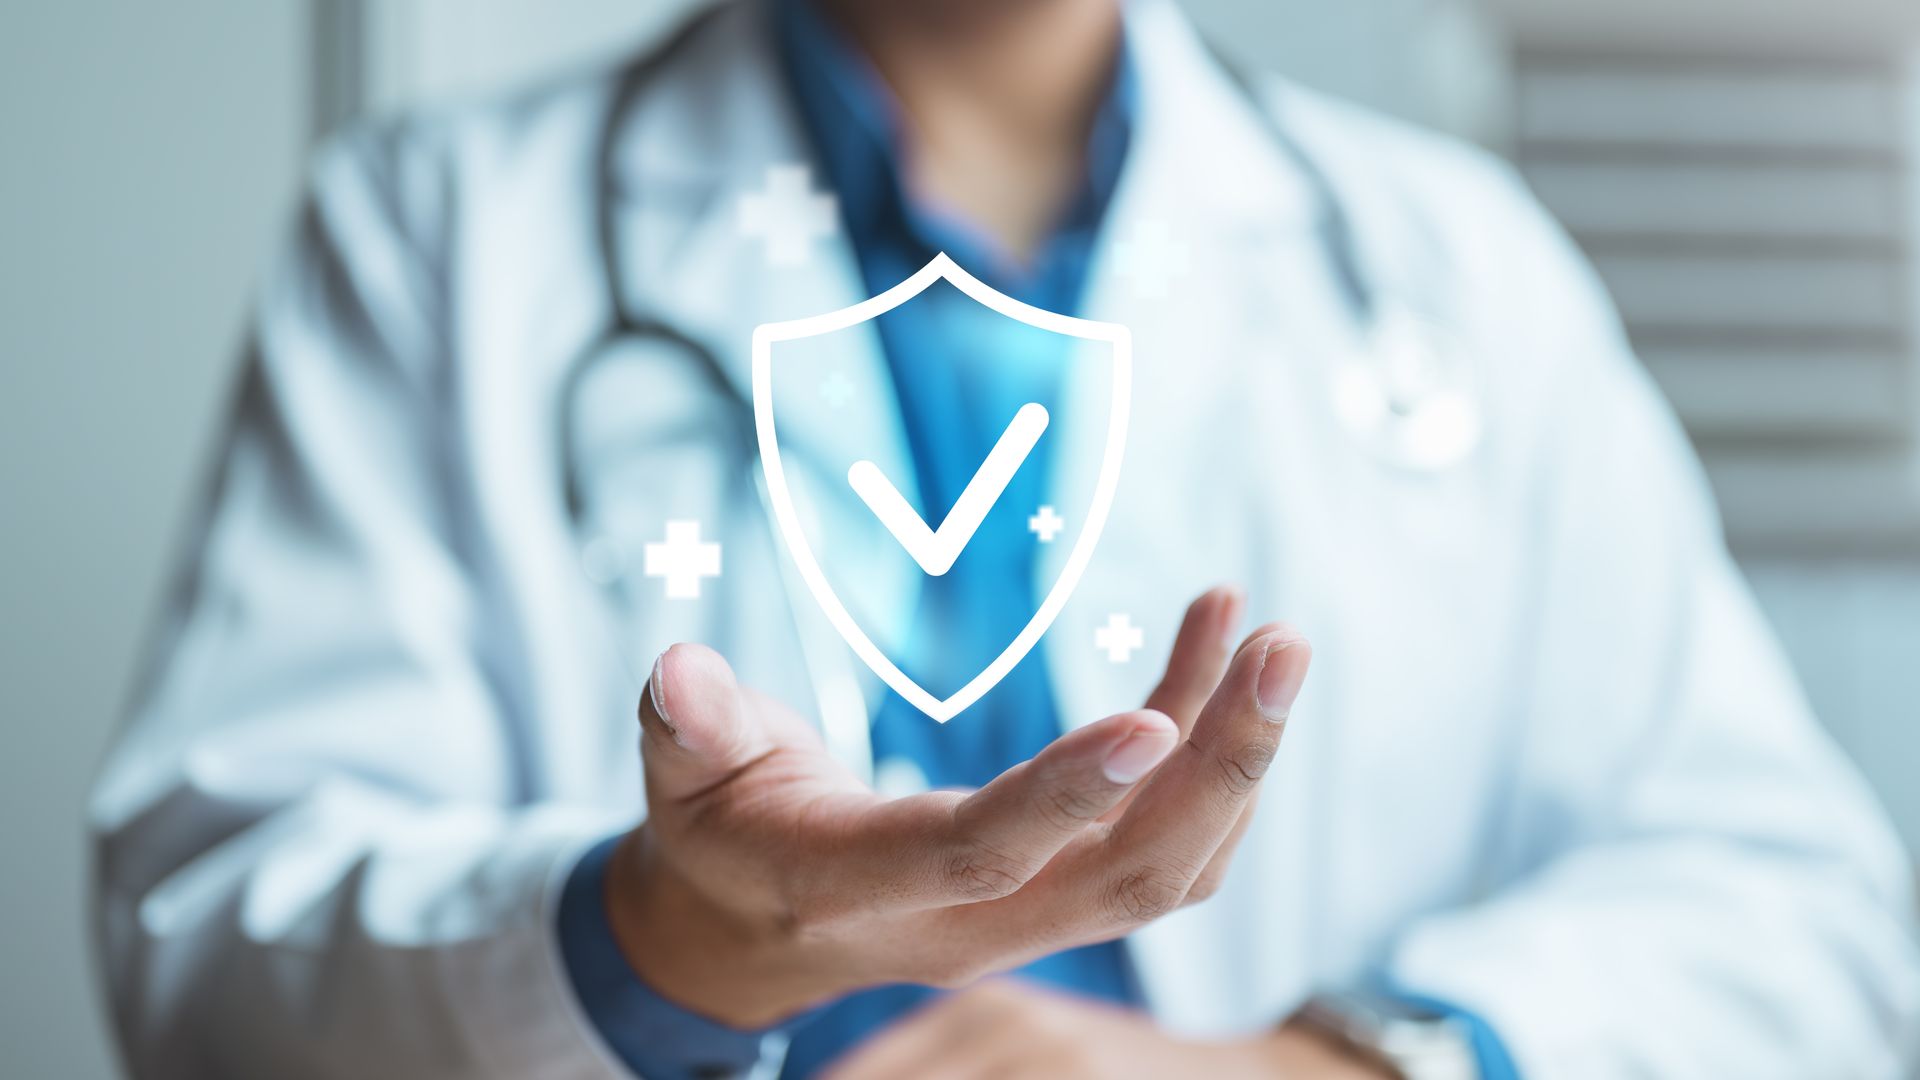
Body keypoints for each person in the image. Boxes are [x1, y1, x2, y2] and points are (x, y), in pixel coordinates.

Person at [91, 0, 1920, 1076]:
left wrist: (1326, 1068)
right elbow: (212, 953)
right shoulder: (437, 238)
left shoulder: (1455, 268)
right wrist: (666, 940)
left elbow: (1796, 917)